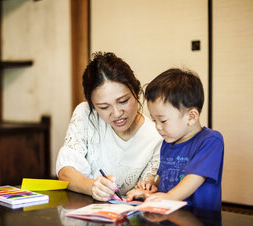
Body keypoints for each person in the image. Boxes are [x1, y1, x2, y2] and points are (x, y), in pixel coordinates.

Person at [56, 52, 162, 201]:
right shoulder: (86, 114)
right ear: (93, 105)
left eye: (123, 101)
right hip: (79, 210)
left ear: (137, 93)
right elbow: (65, 172)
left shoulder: (156, 137)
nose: (117, 113)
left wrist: (144, 192)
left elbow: (145, 190)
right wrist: (92, 186)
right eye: (104, 107)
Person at [127, 68, 224, 211]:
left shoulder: (210, 141)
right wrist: (152, 188)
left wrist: (170, 197)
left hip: (199, 222)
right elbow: (163, 176)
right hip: (169, 217)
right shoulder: (168, 143)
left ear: (191, 117)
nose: (158, 127)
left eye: (163, 121)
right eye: (154, 121)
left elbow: (195, 177)